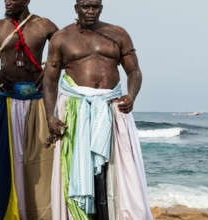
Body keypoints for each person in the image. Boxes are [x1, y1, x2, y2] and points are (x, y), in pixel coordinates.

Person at [42, 0, 153, 219]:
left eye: (95, 6)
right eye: (85, 6)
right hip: (75, 108)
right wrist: (50, 115)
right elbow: (50, 79)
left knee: (118, 168)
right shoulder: (62, 37)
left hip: (112, 107)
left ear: (101, 7)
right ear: (76, 8)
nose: (90, 11)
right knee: (77, 168)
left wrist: (131, 96)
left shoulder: (118, 34)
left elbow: (134, 72)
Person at [0, 0, 59, 219]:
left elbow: (64, 52)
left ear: (26, 1)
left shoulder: (45, 26)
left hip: (39, 100)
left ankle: (41, 211)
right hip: (5, 100)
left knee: (42, 160)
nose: (7, 2)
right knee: (1, 158)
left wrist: (51, 69)